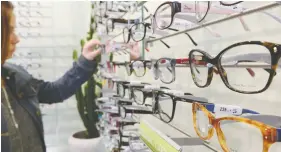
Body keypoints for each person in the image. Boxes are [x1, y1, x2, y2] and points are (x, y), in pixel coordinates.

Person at [1, 1, 102, 152]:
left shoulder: (14, 76)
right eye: (10, 31)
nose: (16, 39)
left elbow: (54, 91)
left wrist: (84, 62)